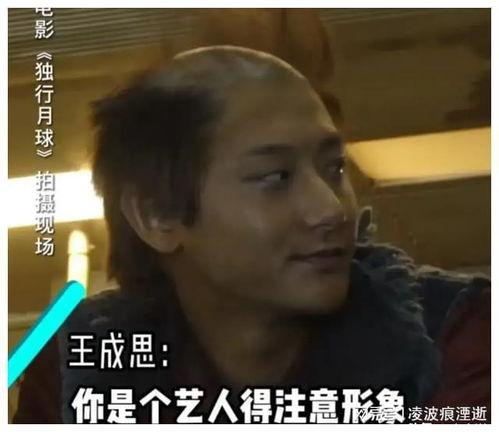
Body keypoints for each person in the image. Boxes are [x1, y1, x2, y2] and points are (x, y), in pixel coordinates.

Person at [14, 46, 490, 424]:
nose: (330, 208)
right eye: (275, 177)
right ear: (157, 215)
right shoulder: (79, 369)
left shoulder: (457, 335)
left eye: (334, 168)